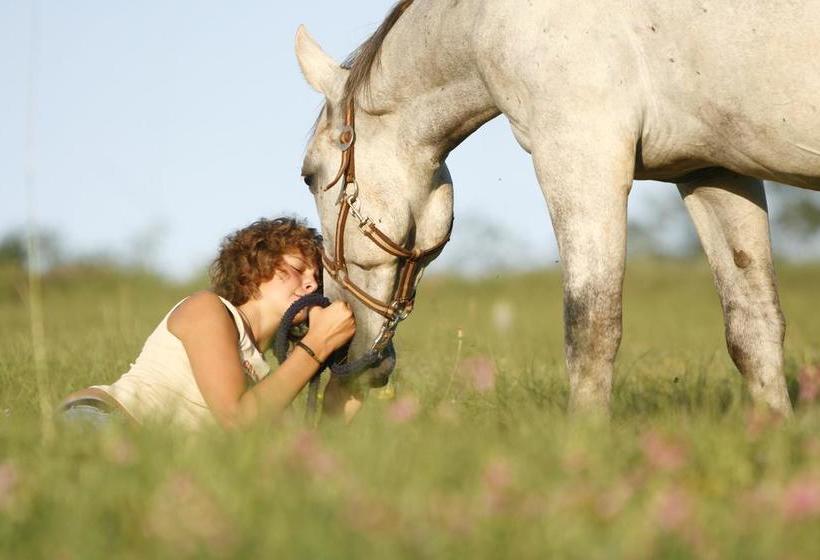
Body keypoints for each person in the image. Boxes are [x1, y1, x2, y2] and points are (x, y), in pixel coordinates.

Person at [59, 217, 359, 429]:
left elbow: (304, 465)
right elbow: (236, 418)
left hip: (151, 464)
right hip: (102, 422)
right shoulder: (208, 309)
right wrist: (317, 344)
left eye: (317, 279)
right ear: (252, 268)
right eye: (297, 268)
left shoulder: (266, 381)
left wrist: (349, 384)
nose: (310, 284)